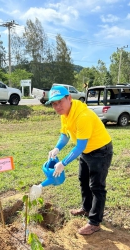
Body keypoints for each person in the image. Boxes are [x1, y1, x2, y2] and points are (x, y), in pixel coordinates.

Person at [46, 85, 113, 235]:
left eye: (59, 102)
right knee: (83, 180)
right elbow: (65, 134)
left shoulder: (83, 116)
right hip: (86, 152)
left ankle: (95, 222)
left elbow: (80, 146)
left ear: (69, 98)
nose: (57, 106)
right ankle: (86, 208)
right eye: (53, 103)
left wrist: (63, 163)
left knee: (97, 187)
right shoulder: (65, 114)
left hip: (100, 151)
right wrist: (57, 148)